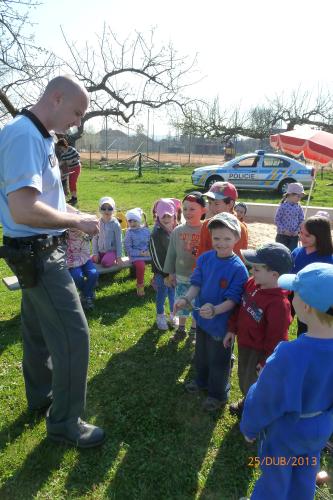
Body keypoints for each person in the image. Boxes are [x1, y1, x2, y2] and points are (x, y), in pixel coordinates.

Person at [0, 75, 105, 447]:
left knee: (37, 329)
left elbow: (38, 200)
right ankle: (64, 422)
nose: (78, 122)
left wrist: (71, 215)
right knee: (75, 336)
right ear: (56, 98)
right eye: (77, 112)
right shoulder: (24, 135)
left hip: (34, 251)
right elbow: (24, 208)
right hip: (39, 254)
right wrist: (77, 221)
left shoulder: (38, 135)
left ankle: (41, 396)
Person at [240, 262, 333, 500]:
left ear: (307, 307)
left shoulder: (288, 355)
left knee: (275, 477)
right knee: (305, 471)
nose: (291, 297)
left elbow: (264, 398)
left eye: (295, 293)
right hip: (320, 429)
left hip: (286, 432)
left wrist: (249, 426)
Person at [174, 212, 248, 412]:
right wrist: (186, 298)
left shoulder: (239, 269)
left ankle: (218, 394)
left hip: (221, 326)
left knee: (219, 361)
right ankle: (201, 381)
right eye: (216, 238)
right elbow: (195, 284)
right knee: (202, 355)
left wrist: (215, 310)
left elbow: (233, 300)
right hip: (203, 320)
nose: (221, 243)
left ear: (236, 238)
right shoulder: (205, 258)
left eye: (226, 238)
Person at [224, 243, 293, 418]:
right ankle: (248, 400)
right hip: (246, 344)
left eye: (256, 268)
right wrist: (232, 328)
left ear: (274, 275)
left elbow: (278, 339)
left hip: (260, 352)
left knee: (256, 382)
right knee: (244, 377)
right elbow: (240, 307)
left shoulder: (279, 305)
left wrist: (265, 362)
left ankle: (256, 412)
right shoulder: (252, 284)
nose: (251, 270)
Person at [163, 192, 206, 341]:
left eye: (192, 209)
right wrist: (170, 273)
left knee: (196, 304)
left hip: (200, 277)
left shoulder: (206, 230)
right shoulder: (177, 231)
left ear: (203, 210)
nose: (188, 212)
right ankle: (181, 329)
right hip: (181, 275)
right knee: (181, 301)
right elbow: (171, 253)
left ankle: (194, 330)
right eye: (185, 209)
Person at [291, 215, 333, 336]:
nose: (302, 237)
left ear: (320, 236)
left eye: (307, 235)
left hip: (312, 302)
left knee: (305, 330)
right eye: (301, 233)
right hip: (293, 296)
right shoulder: (297, 252)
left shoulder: (328, 260)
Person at [197, 181, 248, 260]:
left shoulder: (241, 229)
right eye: (210, 203)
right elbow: (201, 254)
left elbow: (239, 259)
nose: (211, 208)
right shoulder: (206, 225)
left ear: (230, 204)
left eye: (216, 204)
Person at [149, 198, 177, 331]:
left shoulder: (175, 230)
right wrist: (166, 274)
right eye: (163, 216)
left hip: (174, 272)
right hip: (162, 273)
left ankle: (173, 314)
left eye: (169, 216)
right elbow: (157, 257)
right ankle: (160, 316)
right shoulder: (156, 233)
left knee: (173, 293)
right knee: (162, 294)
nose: (166, 219)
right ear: (158, 216)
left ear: (174, 216)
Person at [67, 227, 99, 310]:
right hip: (70, 262)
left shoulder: (84, 235)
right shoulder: (63, 236)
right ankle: (88, 295)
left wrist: (76, 263)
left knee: (93, 273)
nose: (72, 227)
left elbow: (85, 252)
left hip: (84, 260)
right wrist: (71, 263)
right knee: (77, 276)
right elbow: (64, 252)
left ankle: (85, 295)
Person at [124, 207, 151, 297]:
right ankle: (140, 285)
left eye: (134, 221)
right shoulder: (129, 233)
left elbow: (150, 242)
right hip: (135, 256)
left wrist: (149, 251)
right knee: (141, 266)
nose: (132, 223)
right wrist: (139, 253)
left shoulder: (146, 230)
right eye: (130, 221)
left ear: (139, 220)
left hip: (147, 253)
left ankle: (156, 280)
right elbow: (128, 248)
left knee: (157, 261)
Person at [92, 196, 123, 267]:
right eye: (103, 208)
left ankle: (109, 258)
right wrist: (95, 253)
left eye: (110, 208)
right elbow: (95, 239)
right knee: (91, 261)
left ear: (113, 210)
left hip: (111, 251)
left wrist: (119, 257)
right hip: (100, 251)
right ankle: (101, 258)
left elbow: (119, 241)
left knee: (105, 263)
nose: (106, 211)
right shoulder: (97, 223)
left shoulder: (115, 224)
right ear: (100, 209)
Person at [274, 182, 305, 251]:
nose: (299, 198)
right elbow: (277, 220)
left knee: (292, 253)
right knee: (281, 252)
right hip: (282, 235)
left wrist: (297, 231)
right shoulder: (283, 206)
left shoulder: (299, 206)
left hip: (294, 236)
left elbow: (302, 219)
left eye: (301, 196)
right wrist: (284, 230)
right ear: (290, 194)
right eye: (298, 196)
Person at [56, 138, 81, 206]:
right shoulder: (63, 153)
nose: (60, 148)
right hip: (70, 168)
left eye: (60, 146)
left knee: (72, 182)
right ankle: (73, 198)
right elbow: (62, 162)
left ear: (63, 145)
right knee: (70, 183)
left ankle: (74, 198)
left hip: (76, 167)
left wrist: (72, 160)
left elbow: (78, 156)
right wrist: (56, 165)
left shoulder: (71, 149)